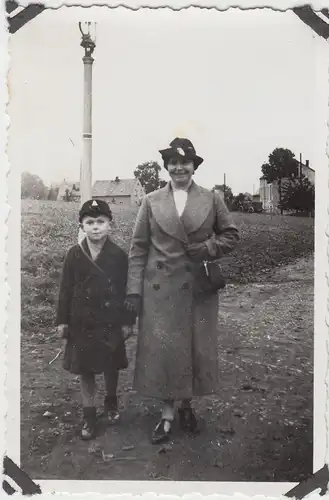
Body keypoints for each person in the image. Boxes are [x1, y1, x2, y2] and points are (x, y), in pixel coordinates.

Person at [125, 138, 239, 444]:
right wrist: (134, 292)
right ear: (166, 167)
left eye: (185, 163)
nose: (179, 168)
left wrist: (207, 247)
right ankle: (166, 414)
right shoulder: (150, 201)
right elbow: (137, 249)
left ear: (194, 166)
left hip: (196, 287)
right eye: (173, 163)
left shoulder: (212, 199)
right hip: (159, 291)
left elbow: (231, 235)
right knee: (165, 352)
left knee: (193, 348)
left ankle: (187, 405)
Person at [56, 199, 136, 440]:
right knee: (86, 370)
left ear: (110, 224)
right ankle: (89, 415)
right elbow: (65, 290)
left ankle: (111, 403)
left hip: (110, 321)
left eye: (100, 222)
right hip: (82, 323)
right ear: (81, 226)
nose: (95, 227)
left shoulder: (119, 256)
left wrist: (127, 321)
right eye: (89, 222)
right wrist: (63, 321)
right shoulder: (74, 254)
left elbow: (127, 290)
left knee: (111, 366)